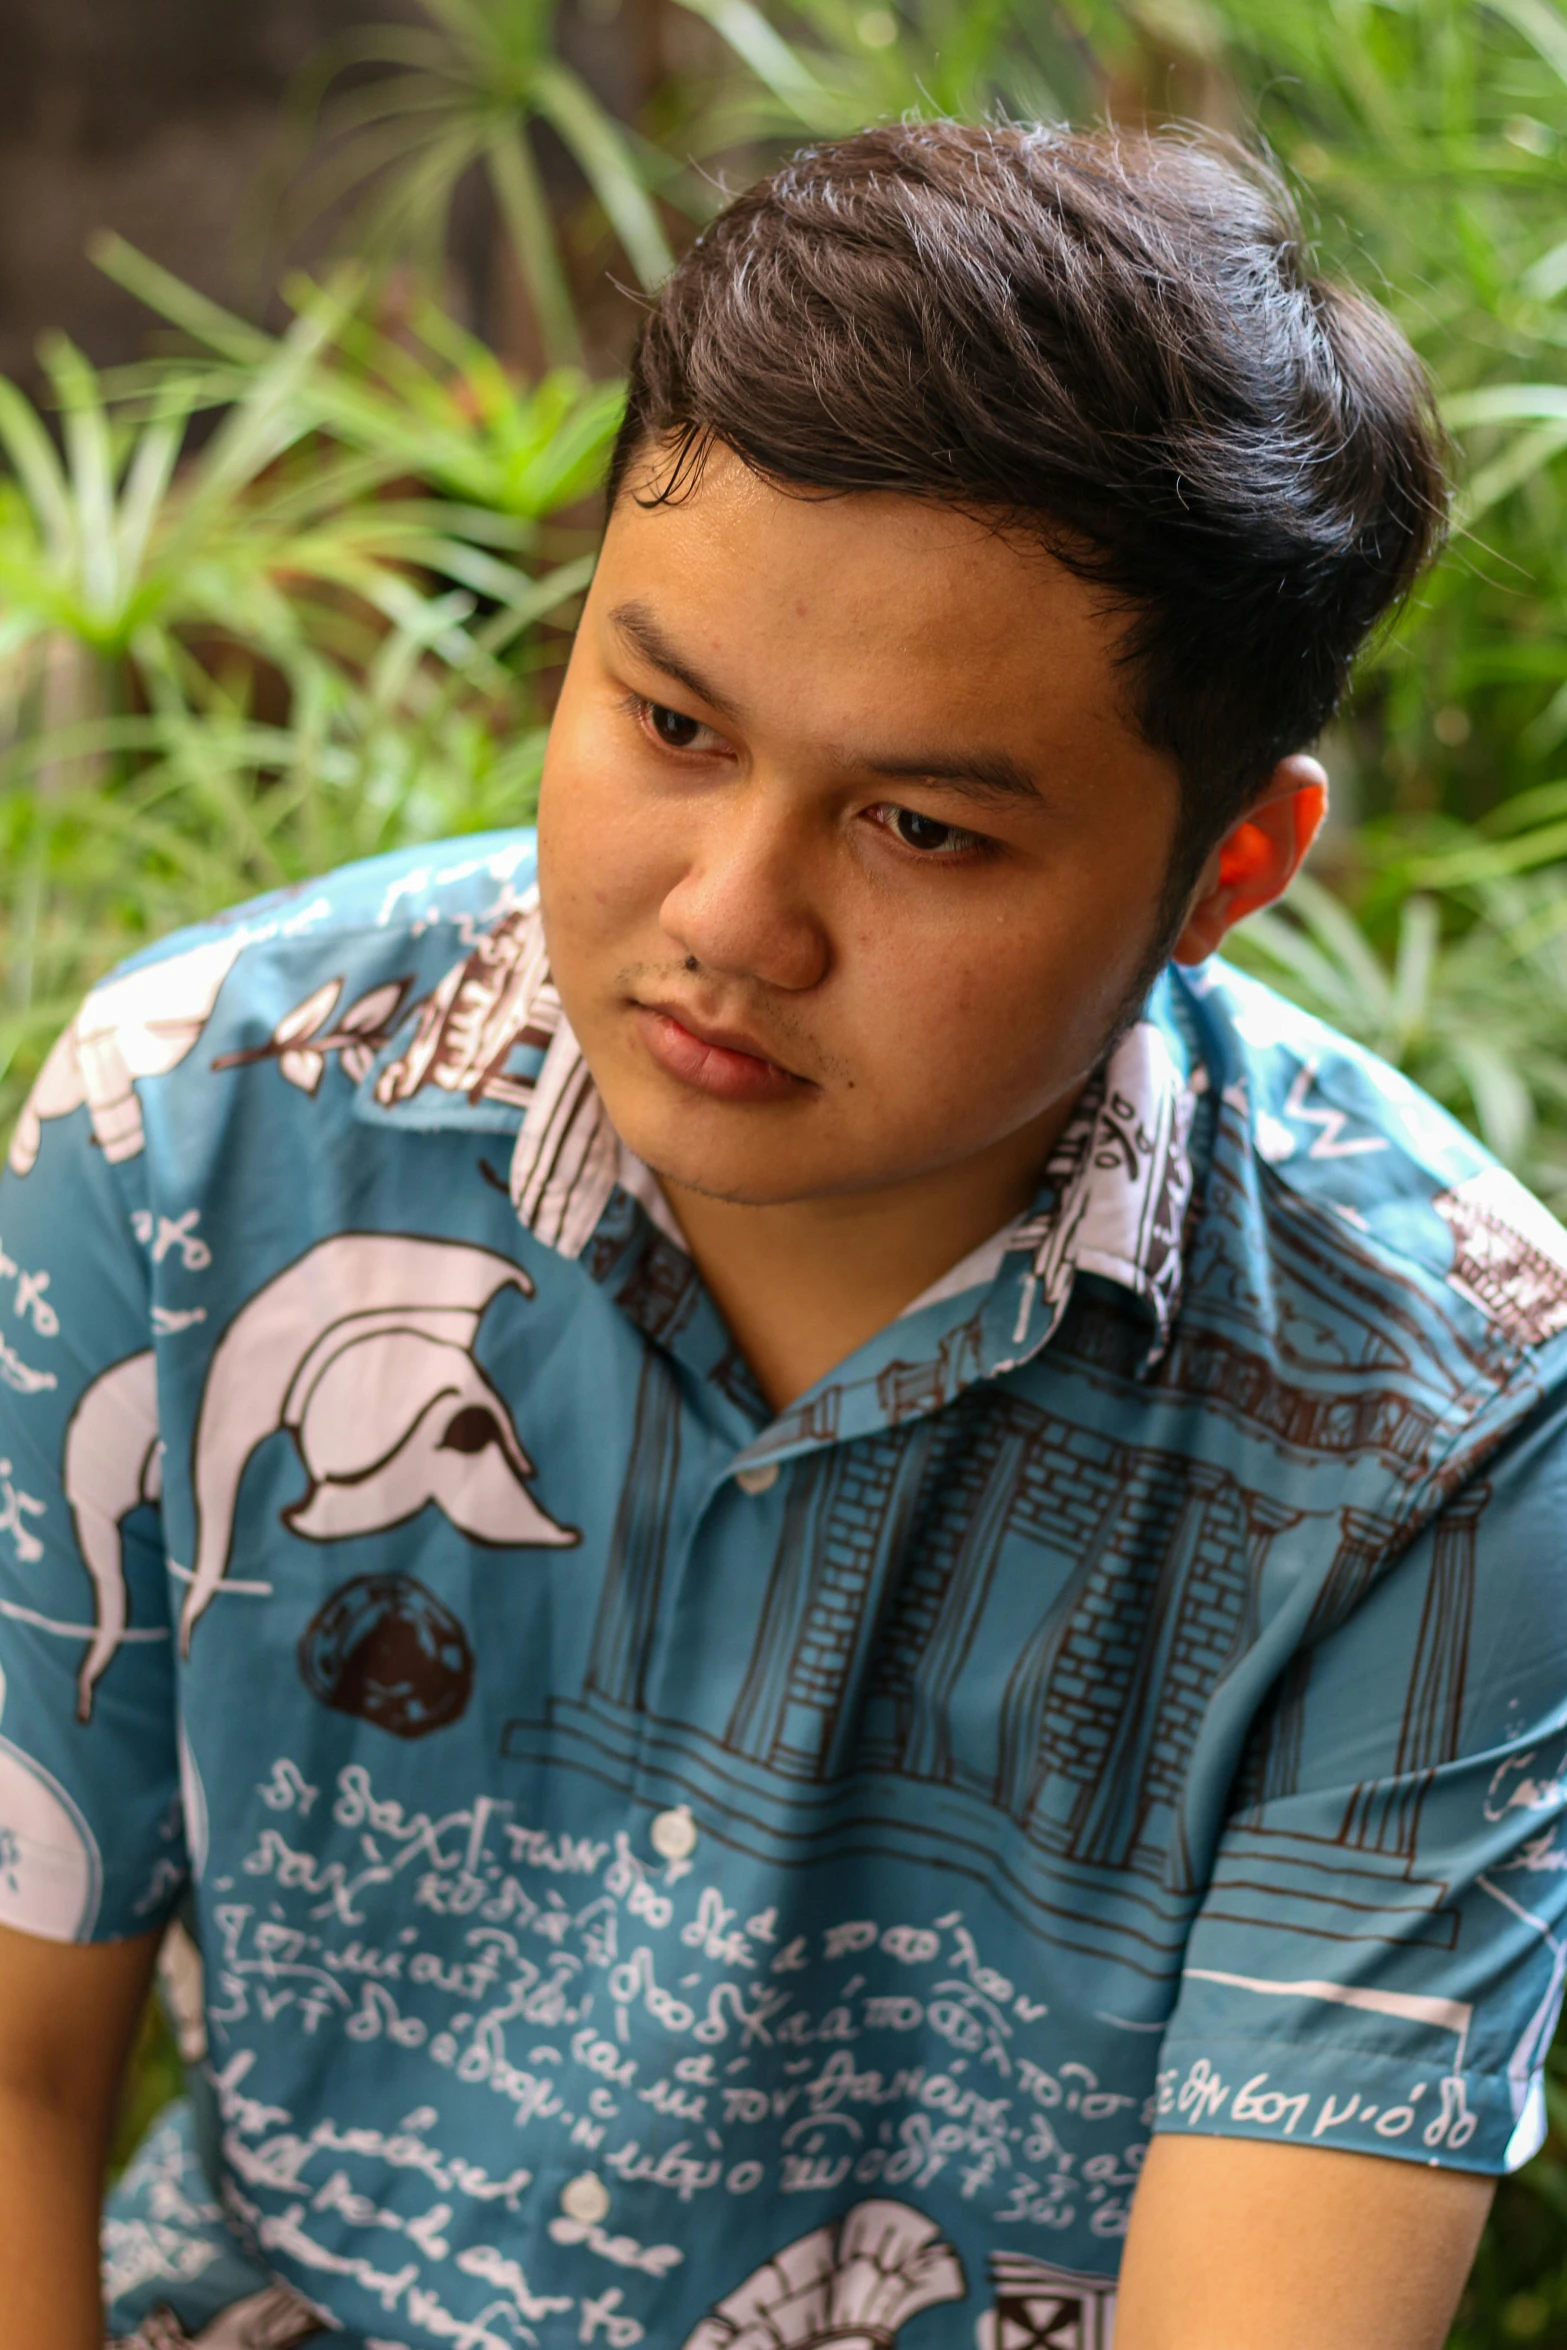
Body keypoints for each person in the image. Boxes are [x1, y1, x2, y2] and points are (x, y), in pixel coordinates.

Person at [0, 116, 1562, 2350]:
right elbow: (15, 2058)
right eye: (667, 719)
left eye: (921, 823)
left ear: (1228, 869)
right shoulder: (196, 1124)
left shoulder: (1447, 1413)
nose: (727, 919)